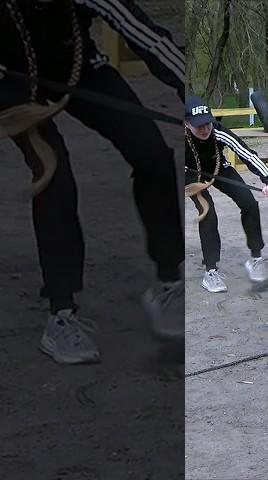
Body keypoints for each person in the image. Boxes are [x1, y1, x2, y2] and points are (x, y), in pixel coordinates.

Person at [0, 0, 185, 364]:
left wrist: (190, 92)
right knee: (54, 174)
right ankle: (61, 313)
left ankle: (168, 283)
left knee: (152, 152)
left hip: (79, 67)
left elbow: (147, 36)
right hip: (11, 81)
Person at [184, 95, 268, 293]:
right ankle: (211, 272)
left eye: (207, 124)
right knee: (207, 211)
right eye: (198, 125)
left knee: (249, 203)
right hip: (190, 174)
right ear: (186, 123)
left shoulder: (218, 131)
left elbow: (246, 153)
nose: (204, 129)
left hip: (219, 168)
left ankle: (256, 257)